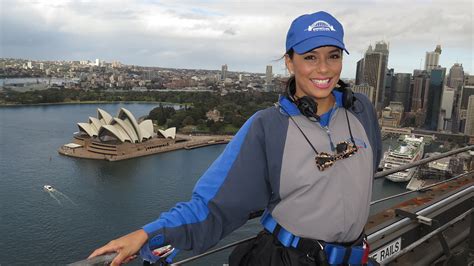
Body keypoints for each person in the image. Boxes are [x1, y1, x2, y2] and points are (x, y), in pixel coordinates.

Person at [88, 10, 382, 266]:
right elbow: (213, 205)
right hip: (290, 259)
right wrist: (147, 234)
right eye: (310, 57)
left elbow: (367, 170)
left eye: (333, 56)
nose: (323, 68)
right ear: (290, 63)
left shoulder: (361, 111)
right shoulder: (268, 127)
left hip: (356, 255)